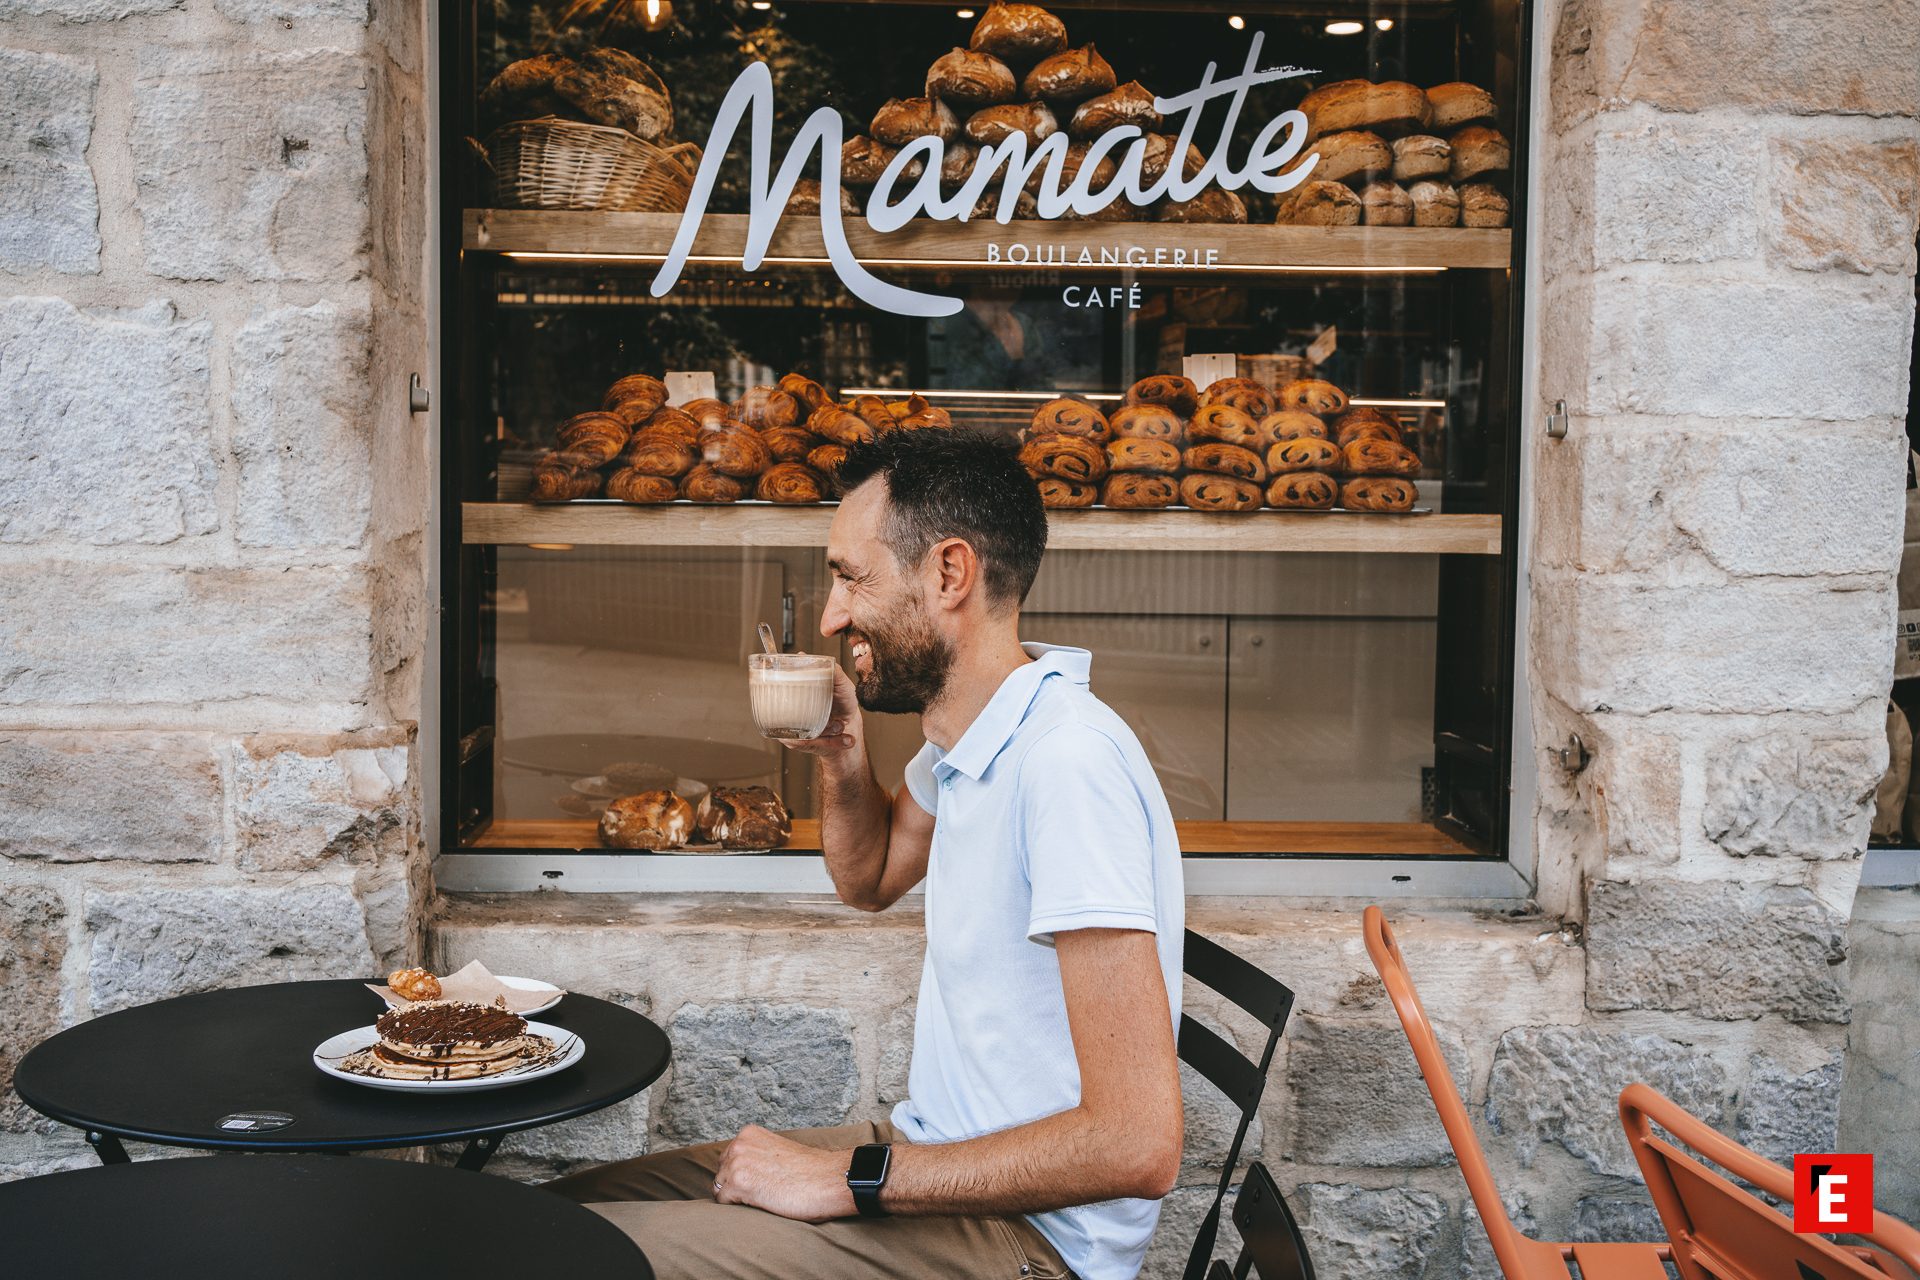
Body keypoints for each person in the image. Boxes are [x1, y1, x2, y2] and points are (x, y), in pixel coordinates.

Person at [548, 428, 1186, 1280]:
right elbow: (871, 879)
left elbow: (1138, 1145)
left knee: (561, 1255)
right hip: (942, 1160)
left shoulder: (1065, 764)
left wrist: (850, 1179)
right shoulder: (974, 733)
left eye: (853, 577)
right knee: (549, 1216)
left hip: (1029, 1243)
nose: (831, 615)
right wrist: (844, 761)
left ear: (949, 574)